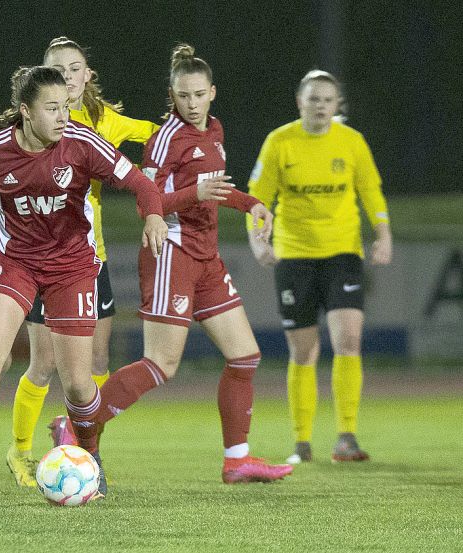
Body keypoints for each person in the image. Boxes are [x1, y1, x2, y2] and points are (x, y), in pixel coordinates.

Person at [0, 65, 168, 502]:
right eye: (53, 108)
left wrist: (152, 213)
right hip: (13, 259)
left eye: (67, 106)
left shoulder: (81, 143)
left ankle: (91, 455)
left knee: (78, 384)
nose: (65, 116)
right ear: (25, 111)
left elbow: (139, 182)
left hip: (72, 267)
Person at [63, 44, 294, 485]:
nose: (191, 103)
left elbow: (216, 188)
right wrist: (193, 197)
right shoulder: (166, 138)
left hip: (207, 256)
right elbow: (148, 204)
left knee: (244, 356)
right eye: (183, 96)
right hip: (171, 251)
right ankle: (75, 425)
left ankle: (237, 460)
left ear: (212, 93)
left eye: (198, 95)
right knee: (160, 365)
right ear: (173, 94)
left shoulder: (215, 131)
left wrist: (252, 204)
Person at [3, 37, 162, 487]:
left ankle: (84, 448)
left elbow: (153, 134)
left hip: (91, 257)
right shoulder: (31, 122)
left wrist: (182, 141)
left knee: (95, 358)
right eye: (59, 69)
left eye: (76, 69)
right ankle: (20, 452)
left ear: (87, 75)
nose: (69, 77)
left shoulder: (102, 122)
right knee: (44, 361)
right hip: (37, 255)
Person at [246, 70, 391, 464]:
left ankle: (346, 436)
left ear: (336, 105)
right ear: (300, 102)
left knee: (348, 342)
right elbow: (257, 198)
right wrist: (258, 241)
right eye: (313, 99)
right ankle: (302, 442)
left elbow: (370, 189)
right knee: (304, 352)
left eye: (328, 100)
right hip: (294, 256)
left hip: (342, 252)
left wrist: (383, 232)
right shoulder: (280, 142)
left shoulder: (352, 142)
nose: (321, 106)